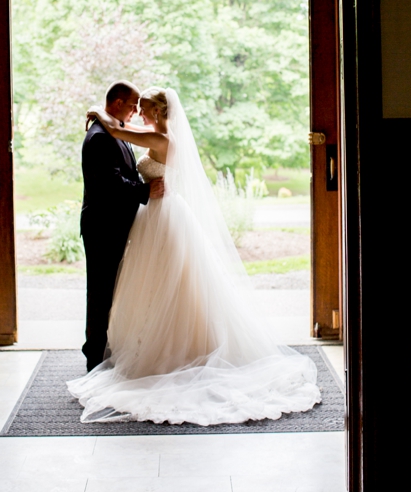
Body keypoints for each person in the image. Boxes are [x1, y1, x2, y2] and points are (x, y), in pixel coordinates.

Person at [68, 87, 321, 425]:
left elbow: (116, 131)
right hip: (153, 215)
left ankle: (173, 350)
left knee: (171, 283)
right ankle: (136, 346)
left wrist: (96, 113)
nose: (138, 112)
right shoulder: (154, 135)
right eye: (135, 106)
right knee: (150, 284)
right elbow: (119, 146)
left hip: (165, 216)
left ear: (158, 112)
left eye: (142, 108)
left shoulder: (163, 140)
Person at [80, 81, 165, 371]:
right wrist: (145, 191)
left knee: (110, 290)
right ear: (117, 103)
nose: (135, 112)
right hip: (103, 227)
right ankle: (93, 356)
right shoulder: (101, 137)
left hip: (115, 224)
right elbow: (110, 185)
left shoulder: (114, 129)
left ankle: (103, 348)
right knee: (101, 292)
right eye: (132, 106)